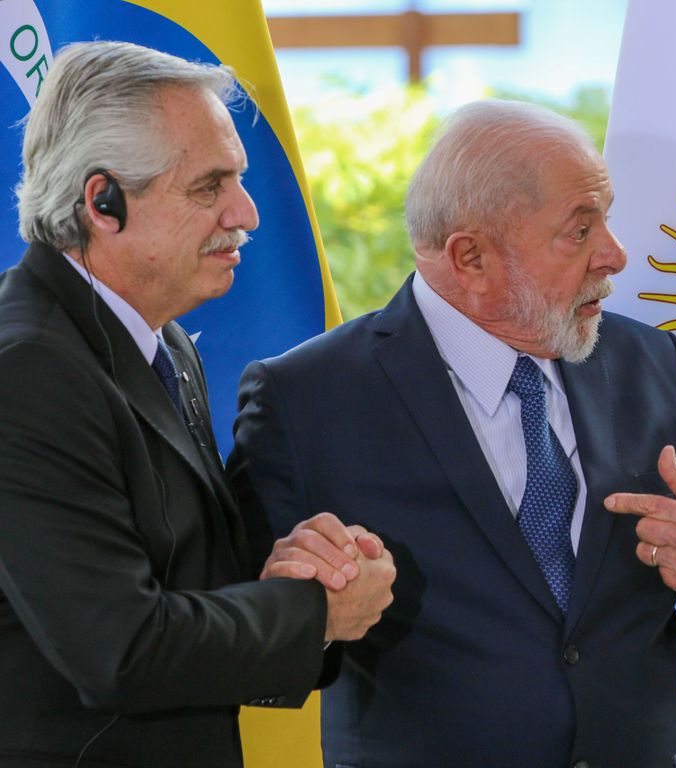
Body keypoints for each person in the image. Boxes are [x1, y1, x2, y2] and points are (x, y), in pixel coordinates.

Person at [229, 100, 676, 768]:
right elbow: (251, 646)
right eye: (579, 231)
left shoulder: (654, 363)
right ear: (469, 258)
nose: (614, 256)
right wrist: (317, 609)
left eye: (606, 220)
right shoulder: (306, 399)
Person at [0, 41, 395, 768]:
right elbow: (121, 649)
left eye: (238, 180)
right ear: (102, 203)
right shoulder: (25, 369)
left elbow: (186, 576)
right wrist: (315, 611)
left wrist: (303, 567)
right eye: (209, 186)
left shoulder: (162, 339)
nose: (245, 212)